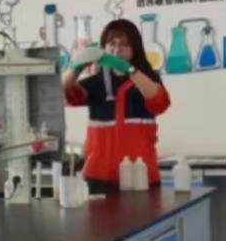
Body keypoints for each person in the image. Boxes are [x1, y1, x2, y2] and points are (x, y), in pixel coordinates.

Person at [61, 18, 171, 191]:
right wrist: (76, 67)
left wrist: (130, 69)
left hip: (140, 176)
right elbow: (61, 91)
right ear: (103, 47)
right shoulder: (96, 82)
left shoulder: (148, 79)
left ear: (135, 48)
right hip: (98, 176)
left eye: (125, 44)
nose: (117, 49)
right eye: (112, 43)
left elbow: (160, 103)